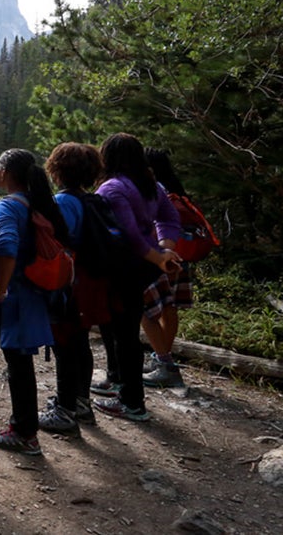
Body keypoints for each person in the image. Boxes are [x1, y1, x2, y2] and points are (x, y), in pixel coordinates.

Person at [0, 149, 68, 455]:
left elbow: (6, 248)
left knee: (18, 363)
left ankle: (24, 432)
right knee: (19, 361)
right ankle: (25, 428)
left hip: (17, 294)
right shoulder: (40, 202)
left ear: (5, 173)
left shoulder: (7, 207)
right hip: (37, 293)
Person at [92, 134, 182, 420]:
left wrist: (159, 256)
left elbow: (129, 234)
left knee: (124, 334)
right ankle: (128, 394)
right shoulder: (152, 185)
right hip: (146, 267)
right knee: (128, 330)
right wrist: (166, 250)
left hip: (125, 267)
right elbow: (169, 219)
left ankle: (131, 401)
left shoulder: (112, 188)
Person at [39, 142, 102, 436]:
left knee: (64, 344)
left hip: (68, 284)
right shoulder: (90, 200)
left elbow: (54, 243)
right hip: (88, 282)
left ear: (57, 169)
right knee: (79, 343)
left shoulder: (63, 202)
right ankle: (81, 402)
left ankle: (64, 411)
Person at [142, 148, 193, 389]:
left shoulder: (154, 188)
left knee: (147, 309)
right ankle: (163, 358)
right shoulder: (176, 188)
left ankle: (163, 362)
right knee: (169, 307)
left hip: (159, 256)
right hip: (179, 256)